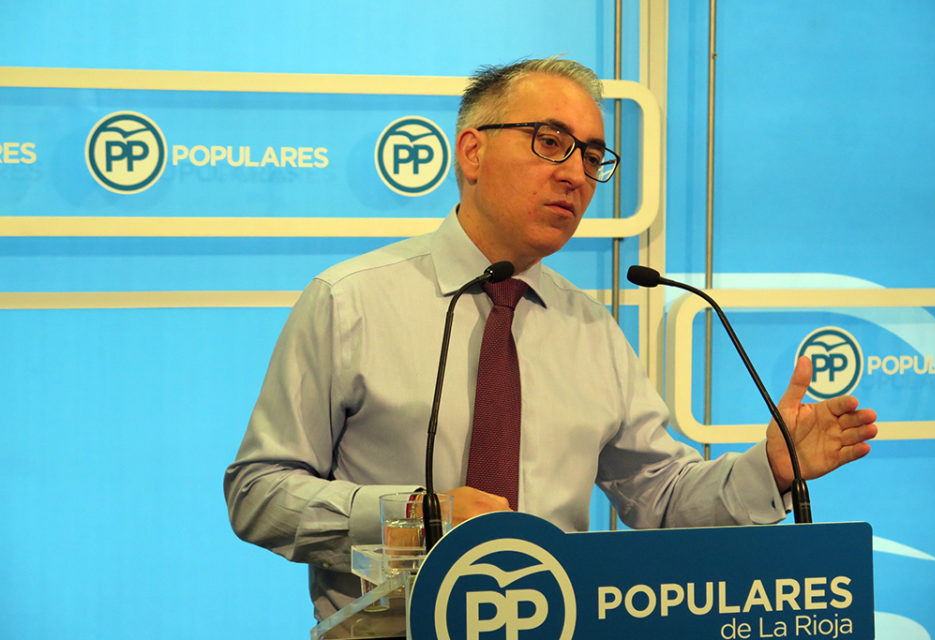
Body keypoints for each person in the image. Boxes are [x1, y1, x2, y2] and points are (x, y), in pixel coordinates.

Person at [224, 57, 878, 621]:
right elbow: (259, 493)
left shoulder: (590, 329)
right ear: (472, 151)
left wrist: (771, 469)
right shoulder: (351, 300)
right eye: (550, 142)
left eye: (592, 157)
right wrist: (420, 516)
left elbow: (661, 496)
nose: (576, 175)